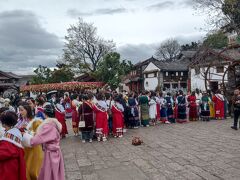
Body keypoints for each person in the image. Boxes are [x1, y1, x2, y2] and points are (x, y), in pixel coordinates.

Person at [22, 104, 65, 180]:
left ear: (45, 114)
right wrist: (32, 134)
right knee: (55, 172)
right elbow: (44, 136)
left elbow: (34, 141)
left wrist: (25, 136)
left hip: (50, 153)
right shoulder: (55, 123)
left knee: (50, 173)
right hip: (55, 151)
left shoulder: (48, 126)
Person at [0, 109, 26, 180]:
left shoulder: (7, 141)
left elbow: (2, 153)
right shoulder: (16, 132)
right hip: (14, 167)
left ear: (4, 124)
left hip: (7, 169)